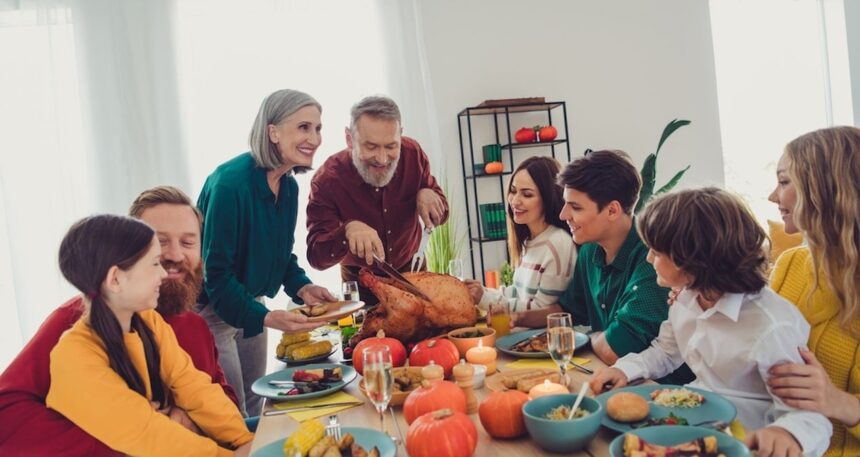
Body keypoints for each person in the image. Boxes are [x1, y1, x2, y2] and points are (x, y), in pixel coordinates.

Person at [590, 187, 831, 457]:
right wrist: (626, 369)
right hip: (696, 428)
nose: (648, 259)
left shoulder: (772, 326)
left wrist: (787, 434)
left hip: (748, 443)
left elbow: (810, 416)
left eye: (656, 252)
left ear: (691, 261)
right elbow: (666, 352)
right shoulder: (685, 298)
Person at [0, 186, 239, 456]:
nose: (174, 256)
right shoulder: (73, 323)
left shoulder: (193, 325)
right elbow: (6, 416)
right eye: (159, 243)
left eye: (187, 243)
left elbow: (218, 395)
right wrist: (120, 437)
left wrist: (188, 421)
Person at [47, 215, 253, 456]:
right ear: (115, 279)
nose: (163, 274)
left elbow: (193, 387)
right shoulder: (73, 356)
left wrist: (245, 441)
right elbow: (148, 433)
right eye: (154, 264)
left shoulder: (148, 320)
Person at [197, 89, 334, 417]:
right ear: (273, 132)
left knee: (257, 403)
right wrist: (267, 318)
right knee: (233, 413)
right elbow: (216, 275)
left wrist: (302, 287)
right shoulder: (230, 184)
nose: (315, 138)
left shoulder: (288, 186)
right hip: (212, 310)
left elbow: (279, 253)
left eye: (317, 128)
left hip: (250, 301)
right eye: (304, 127)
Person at [555, 149, 693, 383]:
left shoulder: (654, 260)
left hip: (659, 389)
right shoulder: (589, 250)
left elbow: (614, 351)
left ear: (612, 210)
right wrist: (515, 317)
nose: (562, 215)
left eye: (575, 207)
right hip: (615, 376)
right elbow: (569, 310)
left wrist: (590, 337)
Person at [767, 126, 860, 457]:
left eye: (784, 182)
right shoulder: (790, 264)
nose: (773, 196)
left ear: (826, 189)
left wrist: (838, 401)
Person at [306, 95, 448, 306]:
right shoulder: (327, 180)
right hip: (360, 287)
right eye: (371, 147)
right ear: (349, 139)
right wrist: (346, 232)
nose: (382, 158)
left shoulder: (413, 155)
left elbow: (442, 214)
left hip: (414, 276)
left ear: (400, 135)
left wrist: (429, 194)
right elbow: (317, 256)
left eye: (391, 146)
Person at [464, 156, 575, 328]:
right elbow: (517, 293)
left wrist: (484, 298)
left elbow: (541, 311)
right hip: (522, 334)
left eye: (527, 194)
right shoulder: (529, 241)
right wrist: (481, 291)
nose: (515, 201)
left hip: (544, 338)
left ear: (548, 198)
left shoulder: (558, 244)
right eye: (513, 191)